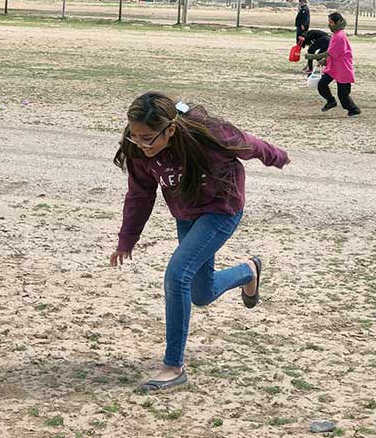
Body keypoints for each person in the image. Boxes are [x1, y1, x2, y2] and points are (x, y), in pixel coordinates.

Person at [112, 92, 289, 392]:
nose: (140, 144)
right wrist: (127, 238)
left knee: (177, 275)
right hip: (186, 213)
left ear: (169, 129)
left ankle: (173, 366)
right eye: (134, 136)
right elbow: (140, 195)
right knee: (202, 293)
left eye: (147, 138)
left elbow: (248, 144)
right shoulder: (139, 151)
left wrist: (277, 156)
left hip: (221, 209)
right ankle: (249, 271)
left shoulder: (206, 133)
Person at [306, 12, 361, 117]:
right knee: (322, 84)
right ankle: (331, 101)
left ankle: (354, 110)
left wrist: (311, 56)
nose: (329, 24)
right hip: (334, 67)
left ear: (338, 22)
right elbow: (332, 53)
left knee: (343, 94)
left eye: (331, 22)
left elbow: (329, 52)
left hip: (343, 68)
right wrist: (325, 61)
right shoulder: (336, 35)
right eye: (329, 22)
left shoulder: (340, 36)